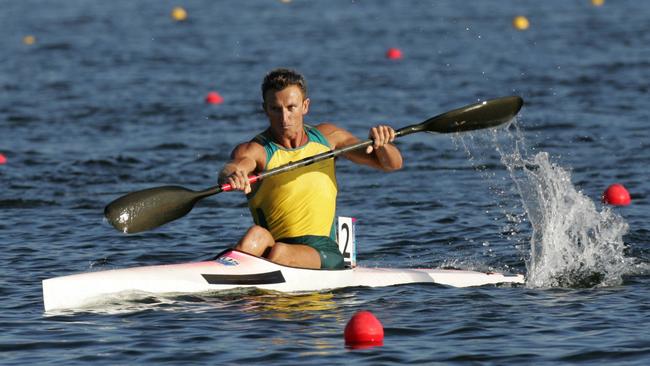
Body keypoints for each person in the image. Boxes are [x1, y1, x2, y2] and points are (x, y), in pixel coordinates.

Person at [218, 68, 403, 270]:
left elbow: (391, 164)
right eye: (276, 109)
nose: (284, 117)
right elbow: (235, 165)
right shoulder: (257, 150)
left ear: (305, 106)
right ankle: (225, 275)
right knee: (256, 235)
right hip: (274, 247)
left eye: (291, 108)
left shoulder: (329, 138)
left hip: (323, 250)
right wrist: (234, 175)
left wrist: (383, 144)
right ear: (265, 109)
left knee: (280, 252)